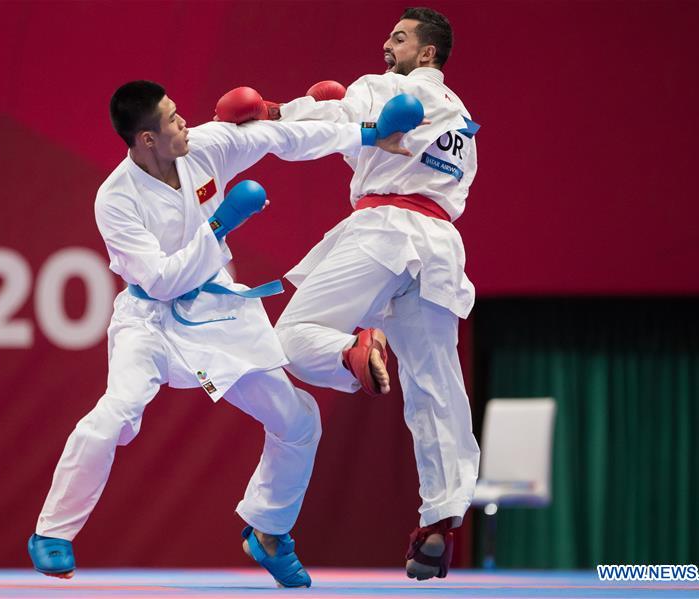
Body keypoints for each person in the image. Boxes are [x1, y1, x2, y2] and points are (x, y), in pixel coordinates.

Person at [27, 80, 418, 588]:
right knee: (116, 412)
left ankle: (269, 531)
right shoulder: (115, 200)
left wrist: (368, 133)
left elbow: (282, 138)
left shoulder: (206, 146)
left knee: (297, 419)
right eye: (171, 118)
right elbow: (163, 278)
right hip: (149, 325)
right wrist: (220, 227)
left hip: (216, 316)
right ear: (147, 139)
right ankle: (53, 532)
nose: (184, 121)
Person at [272, 7, 482, 581]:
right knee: (436, 384)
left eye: (400, 37)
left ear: (427, 54)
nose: (386, 44)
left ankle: (352, 351)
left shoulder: (385, 89)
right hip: (440, 245)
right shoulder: (462, 121)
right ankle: (439, 522)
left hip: (384, 229)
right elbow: (371, 146)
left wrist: (273, 114)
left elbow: (332, 127)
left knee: (290, 338)